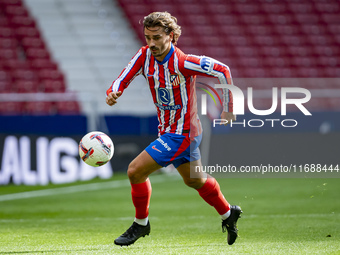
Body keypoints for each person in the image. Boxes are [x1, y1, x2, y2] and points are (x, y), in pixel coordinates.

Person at [106, 11, 242, 246]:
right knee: (195, 180)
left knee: (135, 171)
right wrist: (113, 92)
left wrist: (229, 108)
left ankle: (141, 224)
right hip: (172, 132)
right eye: (148, 37)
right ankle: (229, 213)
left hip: (182, 134)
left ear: (171, 36)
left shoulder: (182, 62)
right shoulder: (144, 56)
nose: (151, 43)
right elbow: (123, 77)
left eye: (157, 37)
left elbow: (223, 70)